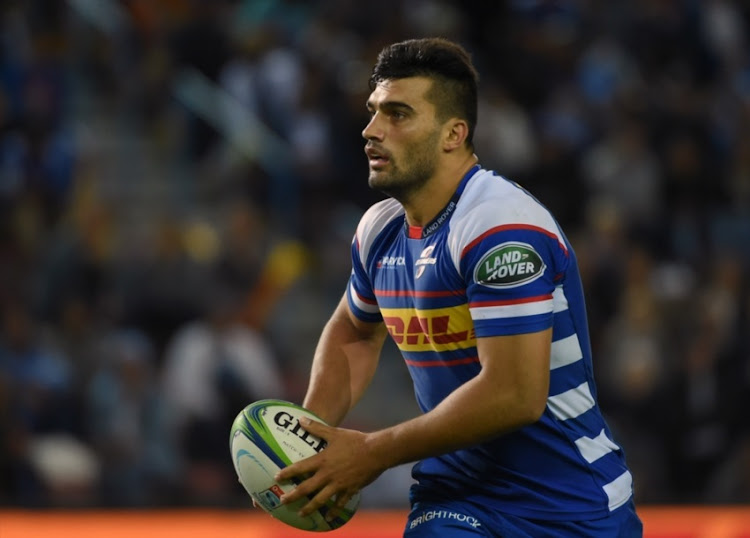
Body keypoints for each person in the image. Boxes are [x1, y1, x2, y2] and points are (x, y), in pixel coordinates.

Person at [275, 37, 643, 537]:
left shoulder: (499, 227)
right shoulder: (380, 229)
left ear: (454, 133)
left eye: (398, 114)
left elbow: (515, 395)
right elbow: (354, 333)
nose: (371, 130)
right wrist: (308, 440)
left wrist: (370, 452)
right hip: (457, 495)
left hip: (568, 506)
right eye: (373, 111)